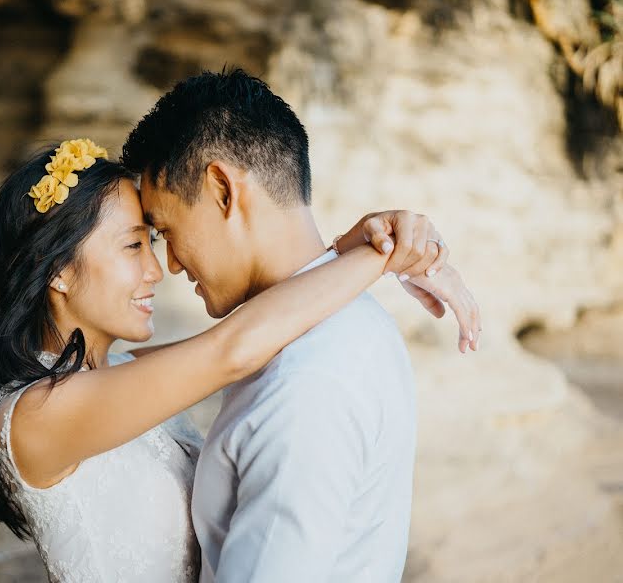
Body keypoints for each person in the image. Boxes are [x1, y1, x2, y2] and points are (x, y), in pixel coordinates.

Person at [120, 69, 481, 581]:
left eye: (166, 231)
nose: (171, 264)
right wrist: (350, 254)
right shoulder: (352, 320)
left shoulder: (303, 384)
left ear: (223, 190)